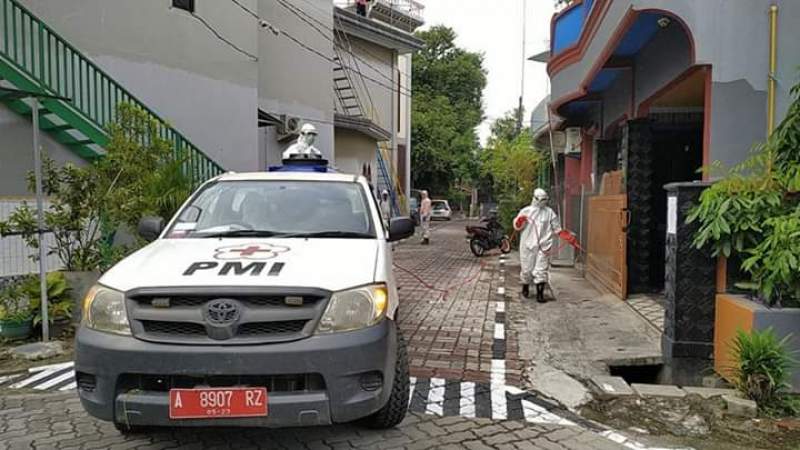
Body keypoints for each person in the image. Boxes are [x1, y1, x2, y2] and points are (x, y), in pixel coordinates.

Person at [513, 188, 577, 302]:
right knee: (527, 269)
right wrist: (519, 221)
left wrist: (567, 237)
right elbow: (517, 226)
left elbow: (557, 228)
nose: (542, 202)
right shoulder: (526, 211)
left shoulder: (549, 212)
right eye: (540, 199)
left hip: (544, 246)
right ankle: (525, 286)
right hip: (527, 246)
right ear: (534, 198)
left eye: (544, 200)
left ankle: (540, 294)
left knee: (541, 270)